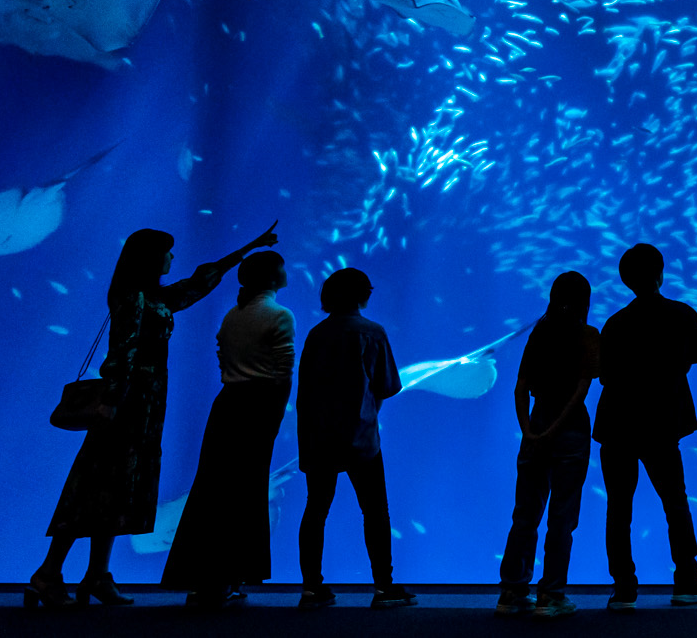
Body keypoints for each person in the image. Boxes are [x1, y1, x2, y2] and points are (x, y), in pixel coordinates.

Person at [28, 223, 278, 610]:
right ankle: (48, 574)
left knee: (117, 488)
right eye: (167, 251)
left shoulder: (155, 297)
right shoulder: (133, 298)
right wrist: (111, 400)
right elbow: (123, 352)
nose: (172, 258)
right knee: (93, 485)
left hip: (144, 404)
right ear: (149, 257)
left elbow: (201, 280)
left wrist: (250, 246)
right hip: (127, 403)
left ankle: (96, 575)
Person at [163, 250, 297, 608]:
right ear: (272, 277)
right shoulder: (280, 315)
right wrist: (275, 417)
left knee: (213, 490)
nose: (287, 271)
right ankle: (227, 577)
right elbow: (283, 371)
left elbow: (224, 360)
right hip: (258, 406)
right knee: (245, 491)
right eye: (282, 267)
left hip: (227, 405)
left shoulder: (232, 315)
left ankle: (209, 577)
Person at [596, 243, 697, 609]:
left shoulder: (615, 324)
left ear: (625, 281)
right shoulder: (683, 315)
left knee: (618, 506)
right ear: (660, 273)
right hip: (661, 422)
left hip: (618, 422)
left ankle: (623, 588)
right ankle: (686, 579)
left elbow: (604, 376)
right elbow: (696, 357)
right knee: (675, 501)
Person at [296, 267, 414, 610]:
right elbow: (387, 386)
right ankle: (383, 586)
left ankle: (311, 587)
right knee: (375, 511)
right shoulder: (372, 333)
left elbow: (305, 391)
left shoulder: (316, 334)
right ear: (364, 294)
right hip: (360, 437)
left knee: (316, 509)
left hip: (318, 437)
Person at [499, 272, 603, 618]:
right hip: (569, 430)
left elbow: (519, 387)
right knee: (562, 516)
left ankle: (512, 593)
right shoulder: (588, 335)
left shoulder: (539, 333)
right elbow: (581, 389)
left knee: (524, 515)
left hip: (537, 421)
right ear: (585, 301)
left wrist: (528, 430)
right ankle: (551, 595)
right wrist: (554, 429)